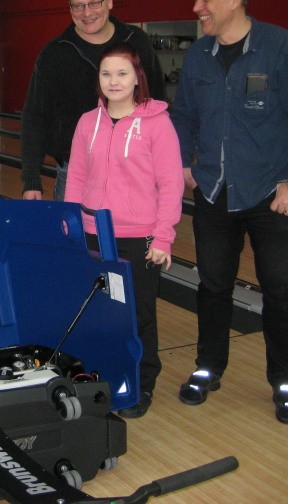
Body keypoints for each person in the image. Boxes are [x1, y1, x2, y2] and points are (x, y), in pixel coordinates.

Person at [171, 0, 288, 424]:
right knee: (213, 287)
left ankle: (285, 380)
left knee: (279, 294)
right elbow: (183, 116)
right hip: (214, 192)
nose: (197, 8)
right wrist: (184, 163)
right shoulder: (199, 55)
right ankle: (208, 367)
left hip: (268, 195)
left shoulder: (279, 47)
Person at [65, 42, 184, 418]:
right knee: (97, 311)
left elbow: (171, 184)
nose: (113, 81)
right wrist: (69, 226)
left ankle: (140, 383)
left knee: (138, 315)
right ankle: (99, 376)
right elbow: (77, 177)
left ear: (137, 79)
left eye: (122, 73)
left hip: (139, 236)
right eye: (106, 74)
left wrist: (163, 236)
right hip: (91, 232)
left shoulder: (157, 124)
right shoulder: (88, 121)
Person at [20, 0, 166, 201]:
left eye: (94, 3)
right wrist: (31, 179)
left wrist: (163, 167)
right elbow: (36, 116)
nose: (86, 13)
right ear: (69, 7)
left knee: (129, 237)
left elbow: (157, 101)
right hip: (76, 172)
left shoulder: (136, 41)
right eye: (78, 6)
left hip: (135, 169)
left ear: (109, 1)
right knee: (76, 237)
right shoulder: (55, 53)